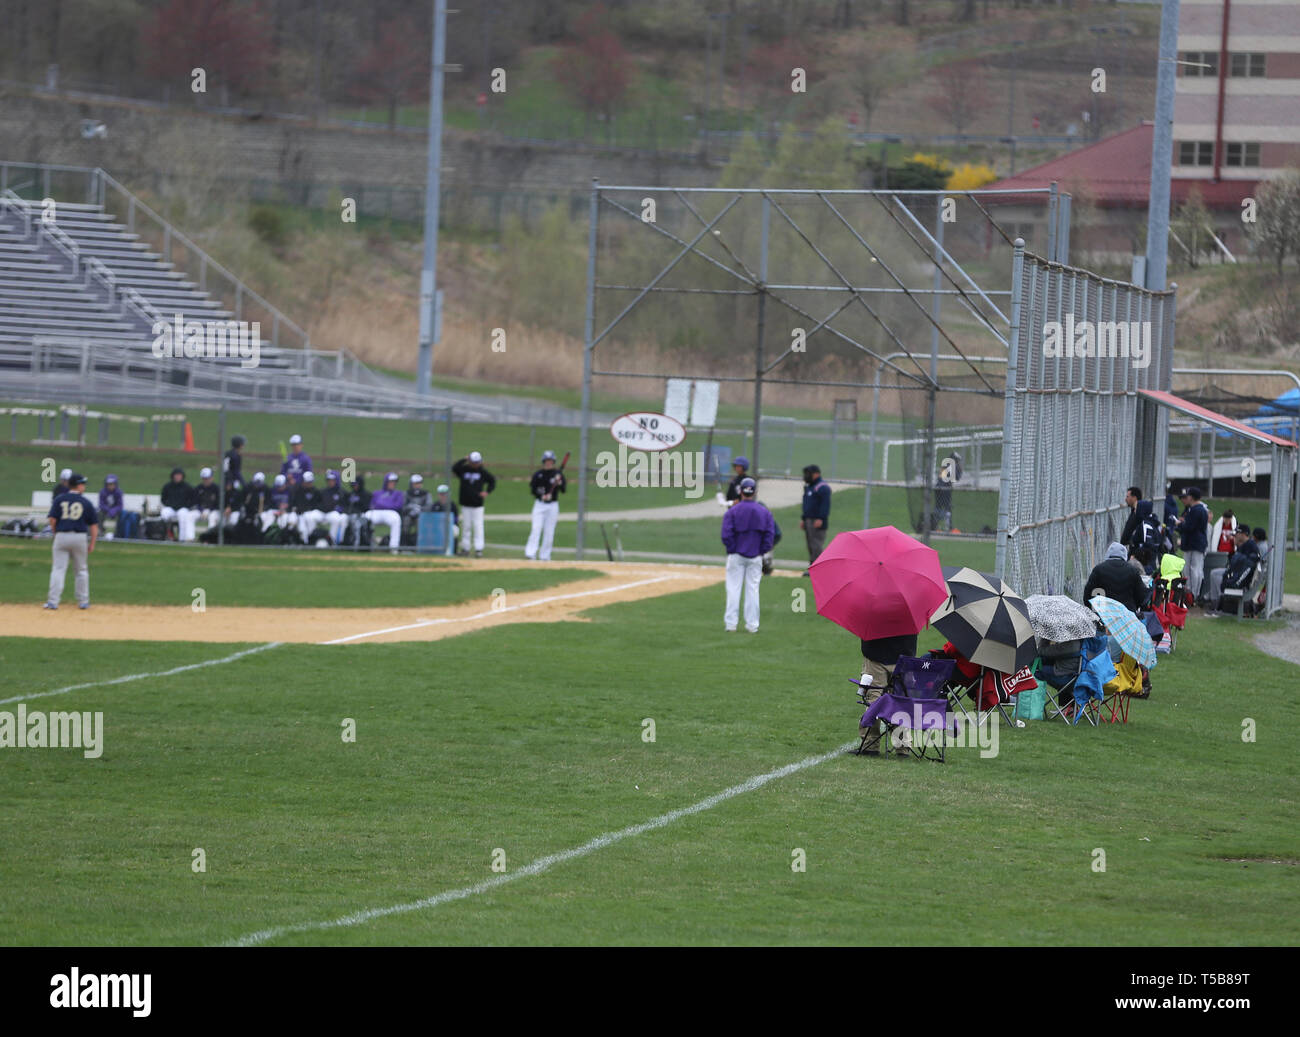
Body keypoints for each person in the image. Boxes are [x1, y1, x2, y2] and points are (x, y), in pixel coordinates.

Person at [721, 477, 774, 633]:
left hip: (736, 554)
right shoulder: (764, 512)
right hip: (755, 555)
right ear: (755, 492)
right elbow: (769, 535)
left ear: (740, 491)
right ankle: (752, 625)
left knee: (733, 589)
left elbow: (726, 534)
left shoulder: (733, 511)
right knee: (753, 590)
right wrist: (761, 551)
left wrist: (732, 549)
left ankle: (731, 624)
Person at [856, 632, 919, 757]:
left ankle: (870, 745)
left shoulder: (872, 611)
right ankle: (902, 746)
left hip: (876, 654)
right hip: (904, 655)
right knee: (901, 702)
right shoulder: (910, 613)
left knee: (874, 701)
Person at [44, 472, 97, 610]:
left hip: (62, 535)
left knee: (58, 569)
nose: (84, 487)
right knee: (81, 570)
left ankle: (53, 602)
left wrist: (56, 533)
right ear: (78, 485)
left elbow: (52, 520)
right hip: (79, 537)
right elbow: (94, 526)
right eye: (83, 484)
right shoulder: (86, 502)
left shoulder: (60, 499)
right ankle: (83, 601)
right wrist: (92, 543)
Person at [1083, 542, 1151, 614]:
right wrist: (1135, 607)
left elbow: (1088, 595)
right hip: (1127, 615)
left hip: (1105, 615)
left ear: (1108, 554)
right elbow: (1142, 596)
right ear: (1124, 555)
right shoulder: (1133, 571)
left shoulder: (1098, 569)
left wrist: (1094, 609)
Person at [1206, 526, 1260, 614]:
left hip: (1241, 579)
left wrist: (1229, 575)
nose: (1234, 537)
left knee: (1217, 576)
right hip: (1237, 574)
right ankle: (1215, 602)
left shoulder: (1250, 546)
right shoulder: (1243, 545)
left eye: (1236, 535)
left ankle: (1220, 604)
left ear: (1243, 535)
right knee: (1214, 573)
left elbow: (1241, 567)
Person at [452, 451, 496, 557]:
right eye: (473, 462)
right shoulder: (464, 470)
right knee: (466, 527)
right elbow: (454, 468)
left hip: (477, 505)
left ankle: (478, 549)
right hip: (465, 503)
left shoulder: (482, 472)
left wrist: (487, 492)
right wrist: (464, 459)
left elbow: (492, 481)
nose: (475, 464)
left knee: (478, 526)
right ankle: (465, 548)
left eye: (477, 462)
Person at [525, 450, 566, 561]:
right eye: (547, 461)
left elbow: (563, 490)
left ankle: (545, 555)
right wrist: (542, 496)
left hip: (553, 506)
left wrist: (559, 482)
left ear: (553, 462)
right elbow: (533, 489)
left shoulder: (558, 474)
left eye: (551, 461)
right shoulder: (538, 474)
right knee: (536, 529)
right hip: (540, 505)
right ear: (544, 461)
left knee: (549, 532)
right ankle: (530, 553)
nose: (549, 463)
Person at [1176, 487, 1210, 603]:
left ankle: (1191, 595)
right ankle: (1194, 595)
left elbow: (1189, 527)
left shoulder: (1196, 510)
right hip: (1198, 543)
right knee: (1196, 569)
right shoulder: (1201, 509)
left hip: (1194, 543)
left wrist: (1179, 524)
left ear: (1191, 497)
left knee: (1192, 570)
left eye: (1188, 496)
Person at [800, 464, 831, 571]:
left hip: (817, 521)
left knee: (816, 545)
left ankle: (817, 569)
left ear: (816, 474)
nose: (806, 476)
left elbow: (825, 505)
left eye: (809, 473)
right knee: (810, 545)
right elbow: (806, 504)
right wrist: (804, 519)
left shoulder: (822, 487)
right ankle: (812, 567)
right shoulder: (809, 487)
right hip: (808, 520)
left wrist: (821, 518)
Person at [366, 472, 405, 553]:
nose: (393, 483)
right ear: (386, 482)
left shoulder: (398, 493)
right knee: (366, 517)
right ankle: (368, 545)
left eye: (394, 482)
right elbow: (372, 505)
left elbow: (398, 505)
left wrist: (382, 504)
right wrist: (388, 504)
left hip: (391, 513)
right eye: (391, 481)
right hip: (376, 512)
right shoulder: (377, 493)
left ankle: (394, 548)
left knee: (396, 519)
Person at [160, 466, 197, 542]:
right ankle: (167, 535)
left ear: (182, 476)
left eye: (179, 475)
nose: (177, 477)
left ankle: (182, 538)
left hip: (183, 508)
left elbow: (193, 499)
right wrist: (169, 504)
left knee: (183, 515)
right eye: (176, 475)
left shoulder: (187, 487)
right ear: (173, 476)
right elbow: (163, 499)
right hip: (171, 508)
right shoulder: (167, 486)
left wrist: (187, 506)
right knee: (164, 513)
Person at [933, 451, 963, 531]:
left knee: (939, 507)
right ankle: (947, 528)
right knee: (946, 509)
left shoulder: (946, 464)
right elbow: (957, 477)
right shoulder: (953, 466)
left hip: (939, 487)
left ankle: (935, 526)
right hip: (945, 489)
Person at [294, 470, 326, 542]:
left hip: (311, 514)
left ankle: (311, 541)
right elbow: (295, 503)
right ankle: (303, 542)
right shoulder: (298, 491)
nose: (309, 484)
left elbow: (319, 504)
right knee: (301, 529)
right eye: (307, 482)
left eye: (310, 482)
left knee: (309, 520)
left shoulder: (316, 491)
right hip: (299, 514)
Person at [319, 470, 350, 544]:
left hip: (333, 514)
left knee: (336, 518)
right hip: (322, 513)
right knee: (310, 516)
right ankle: (308, 541)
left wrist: (341, 509)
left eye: (332, 480)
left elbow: (346, 505)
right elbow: (318, 503)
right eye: (328, 480)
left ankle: (333, 541)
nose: (330, 482)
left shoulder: (342, 492)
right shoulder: (323, 491)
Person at [402, 474, 432, 546]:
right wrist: (411, 508)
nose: (417, 485)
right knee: (406, 522)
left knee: (419, 523)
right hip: (409, 515)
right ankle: (404, 545)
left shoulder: (426, 493)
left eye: (419, 483)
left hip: (422, 515)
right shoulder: (407, 493)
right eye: (415, 483)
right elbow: (403, 506)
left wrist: (420, 509)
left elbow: (429, 506)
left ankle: (419, 545)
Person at [266, 473, 297, 539]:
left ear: (285, 484)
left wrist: (286, 508)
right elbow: (269, 504)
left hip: (287, 512)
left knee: (286, 520)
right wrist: (276, 510)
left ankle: (284, 537)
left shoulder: (290, 491)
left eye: (280, 486)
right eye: (277, 486)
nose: (279, 488)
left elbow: (293, 503)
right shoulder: (272, 491)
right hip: (275, 511)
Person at [192, 467, 221, 537]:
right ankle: (189, 538)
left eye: (207, 478)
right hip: (201, 511)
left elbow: (218, 503)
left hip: (214, 510)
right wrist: (201, 510)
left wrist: (209, 510)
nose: (206, 480)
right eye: (204, 479)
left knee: (212, 517)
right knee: (190, 516)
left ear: (211, 478)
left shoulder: (217, 488)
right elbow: (196, 502)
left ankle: (211, 538)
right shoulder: (198, 488)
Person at [431, 483, 459, 548]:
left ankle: (452, 549)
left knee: (455, 531)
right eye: (441, 494)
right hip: (437, 526)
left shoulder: (452, 505)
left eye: (444, 494)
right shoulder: (435, 505)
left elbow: (456, 519)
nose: (443, 496)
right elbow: (432, 518)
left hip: (449, 525)